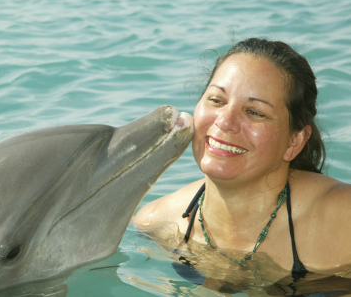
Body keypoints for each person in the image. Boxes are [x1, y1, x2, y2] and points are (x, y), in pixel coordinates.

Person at [133, 38, 351, 279]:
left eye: (254, 112)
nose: (225, 121)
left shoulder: (344, 221)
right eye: (216, 100)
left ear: (294, 141)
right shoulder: (155, 224)